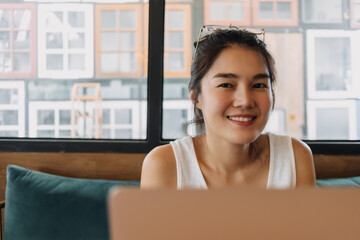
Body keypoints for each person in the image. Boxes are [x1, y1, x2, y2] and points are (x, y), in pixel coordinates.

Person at [141, 25, 316, 189]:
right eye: (226, 85)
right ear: (196, 97)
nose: (245, 101)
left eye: (258, 85)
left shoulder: (295, 157)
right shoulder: (164, 165)